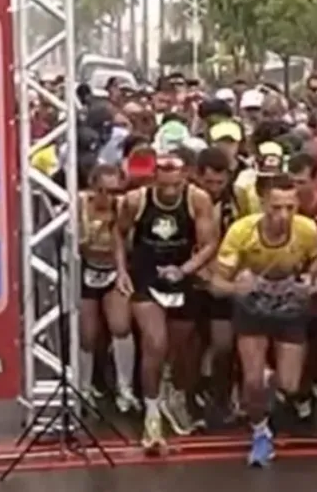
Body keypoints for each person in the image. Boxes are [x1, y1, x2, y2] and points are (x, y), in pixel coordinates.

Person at [212, 174, 317, 467]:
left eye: (290, 207)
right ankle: (260, 434)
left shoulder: (307, 230)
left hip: (289, 309)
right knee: (252, 380)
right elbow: (216, 283)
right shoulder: (241, 232)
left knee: (288, 384)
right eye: (276, 207)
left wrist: (312, 282)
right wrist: (237, 287)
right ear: (263, 204)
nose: (283, 215)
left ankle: (271, 383)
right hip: (253, 309)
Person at [115, 154, 220, 453]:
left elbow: (211, 242)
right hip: (146, 276)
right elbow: (119, 233)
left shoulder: (197, 199)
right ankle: (151, 416)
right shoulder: (136, 200)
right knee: (155, 343)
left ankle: (170, 393)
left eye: (176, 185)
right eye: (165, 186)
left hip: (180, 276)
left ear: (185, 178)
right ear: (153, 180)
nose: (171, 191)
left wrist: (186, 269)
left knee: (176, 350)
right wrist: (121, 270)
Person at [76, 164, 138, 413]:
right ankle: (84, 386)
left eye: (114, 191)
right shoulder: (78, 205)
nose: (108, 197)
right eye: (103, 190)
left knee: (120, 326)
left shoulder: (125, 206)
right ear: (93, 187)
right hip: (85, 270)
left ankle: (125, 387)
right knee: (87, 334)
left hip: (114, 270)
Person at [194, 147, 241, 429]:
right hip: (192, 278)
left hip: (223, 278)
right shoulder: (188, 199)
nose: (214, 188)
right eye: (208, 182)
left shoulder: (234, 203)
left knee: (223, 344)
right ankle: (190, 393)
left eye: (219, 183)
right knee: (193, 344)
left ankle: (221, 397)